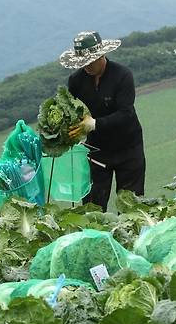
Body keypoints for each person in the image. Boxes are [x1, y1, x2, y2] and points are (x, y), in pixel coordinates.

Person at [59, 31, 145, 212]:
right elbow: (69, 109)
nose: (87, 67)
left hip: (128, 147)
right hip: (96, 150)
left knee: (132, 205)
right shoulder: (76, 80)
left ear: (102, 55)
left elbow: (126, 113)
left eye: (90, 62)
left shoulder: (122, 75)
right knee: (93, 206)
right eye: (83, 63)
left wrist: (95, 124)